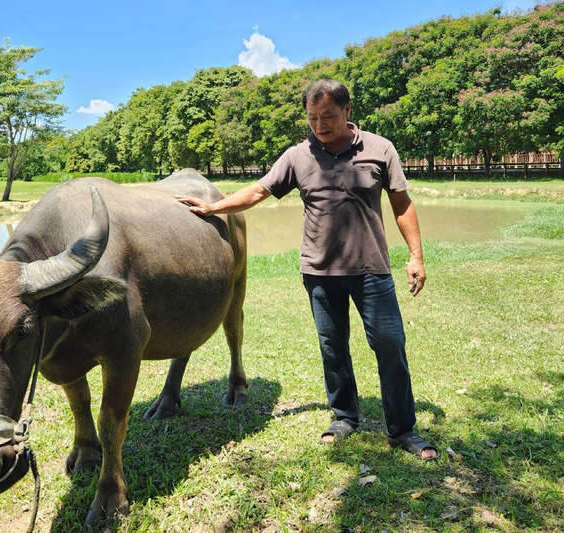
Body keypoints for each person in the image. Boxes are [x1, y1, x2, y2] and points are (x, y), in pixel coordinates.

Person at [176, 78, 438, 461]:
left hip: (372, 270)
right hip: (319, 271)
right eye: (312, 118)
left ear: (348, 111)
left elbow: (402, 204)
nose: (319, 125)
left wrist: (415, 256)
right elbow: (259, 191)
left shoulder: (380, 149)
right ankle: (345, 417)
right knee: (333, 348)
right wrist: (215, 207)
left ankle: (403, 430)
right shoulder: (298, 156)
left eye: (328, 116)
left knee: (390, 345)